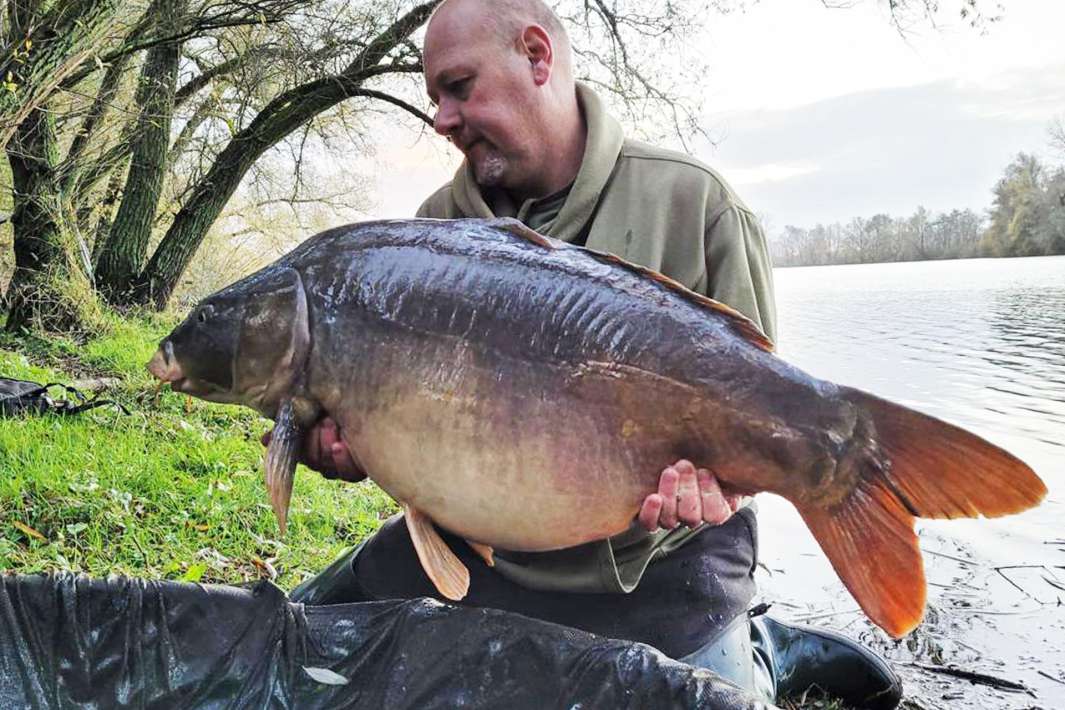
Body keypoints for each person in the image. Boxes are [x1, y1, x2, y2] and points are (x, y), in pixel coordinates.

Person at [286, 1, 902, 707]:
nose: (441, 119)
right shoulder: (427, 237)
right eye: (434, 98)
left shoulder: (694, 204)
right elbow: (398, 429)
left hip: (661, 571)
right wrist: (348, 448)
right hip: (481, 555)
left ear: (537, 56)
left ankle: (756, 648)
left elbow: (756, 416)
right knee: (291, 647)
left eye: (458, 87)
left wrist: (726, 484)